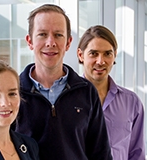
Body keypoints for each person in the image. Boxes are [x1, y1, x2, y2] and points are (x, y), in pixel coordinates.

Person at [15, 4, 112, 160]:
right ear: (29, 41)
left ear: (68, 42)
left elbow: (101, 154)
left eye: (58, 35)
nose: (50, 42)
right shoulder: (13, 92)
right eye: (42, 34)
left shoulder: (87, 91)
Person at [77, 25, 145, 160]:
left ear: (114, 55)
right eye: (93, 53)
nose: (101, 61)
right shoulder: (67, 100)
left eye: (107, 53)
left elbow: (136, 153)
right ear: (81, 55)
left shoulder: (131, 102)